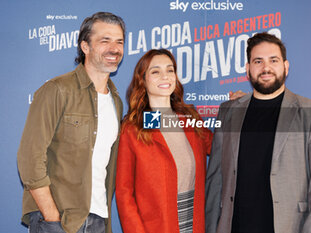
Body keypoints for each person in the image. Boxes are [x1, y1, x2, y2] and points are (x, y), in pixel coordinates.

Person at [205, 32, 311, 233]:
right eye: (258, 61)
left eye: (273, 60)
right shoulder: (228, 111)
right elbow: (215, 178)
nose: (266, 67)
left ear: (286, 66)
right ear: (248, 70)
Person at [17, 12, 125, 233]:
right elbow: (30, 158)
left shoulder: (116, 102)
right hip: (60, 220)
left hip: (98, 220)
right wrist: (52, 218)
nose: (114, 48)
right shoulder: (57, 90)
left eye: (119, 41)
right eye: (105, 40)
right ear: (85, 46)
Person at [115, 49, 213, 233]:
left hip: (194, 223)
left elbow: (220, 147)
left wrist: (238, 107)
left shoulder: (189, 118)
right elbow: (123, 193)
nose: (165, 76)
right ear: (142, 80)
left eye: (170, 70)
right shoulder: (133, 128)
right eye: (155, 71)